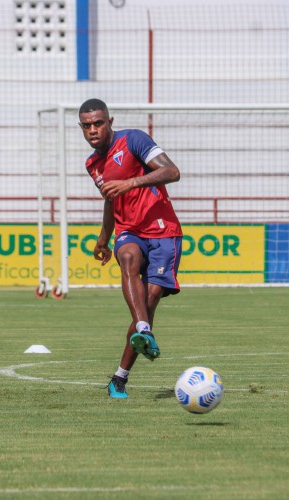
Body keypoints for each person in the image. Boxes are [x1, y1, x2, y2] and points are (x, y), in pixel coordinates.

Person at [78, 98, 184, 399]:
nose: (93, 130)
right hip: (129, 231)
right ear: (81, 128)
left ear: (110, 122)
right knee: (127, 258)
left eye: (98, 123)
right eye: (87, 126)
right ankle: (143, 329)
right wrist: (103, 238)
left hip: (163, 229)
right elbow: (111, 199)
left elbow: (172, 172)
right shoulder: (92, 164)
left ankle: (119, 378)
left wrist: (130, 183)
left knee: (149, 301)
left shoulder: (133, 139)